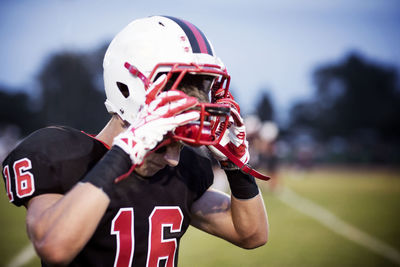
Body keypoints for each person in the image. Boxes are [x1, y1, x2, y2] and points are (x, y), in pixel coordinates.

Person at [2, 15, 268, 267]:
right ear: (126, 90)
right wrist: (125, 154)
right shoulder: (62, 152)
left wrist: (238, 166)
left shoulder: (180, 173)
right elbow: (53, 246)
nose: (174, 160)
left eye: (180, 142)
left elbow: (252, 234)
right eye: (164, 141)